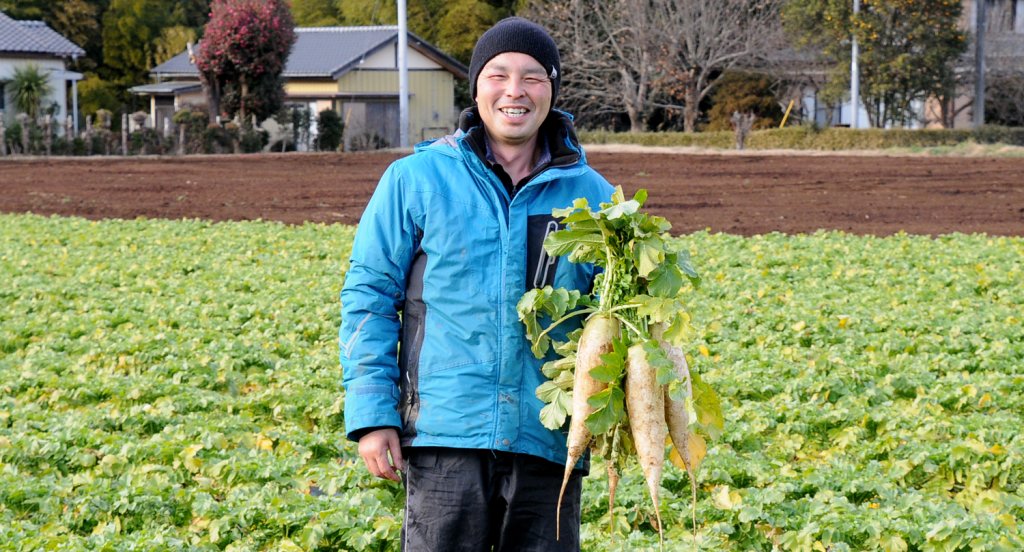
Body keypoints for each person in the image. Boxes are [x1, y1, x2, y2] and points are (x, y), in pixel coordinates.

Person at [339, 16, 614, 551]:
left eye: (533, 77)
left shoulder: (596, 196)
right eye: (498, 74)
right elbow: (369, 299)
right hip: (444, 435)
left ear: (552, 90)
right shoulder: (416, 180)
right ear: (476, 88)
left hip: (548, 438)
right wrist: (373, 416)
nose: (515, 91)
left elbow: (615, 318)